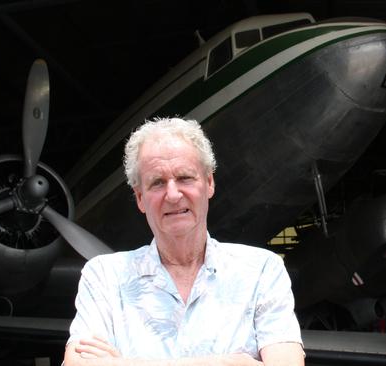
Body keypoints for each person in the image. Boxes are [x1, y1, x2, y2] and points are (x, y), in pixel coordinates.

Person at [64, 117, 304, 366]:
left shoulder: (261, 270)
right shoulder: (104, 276)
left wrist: (122, 363)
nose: (173, 194)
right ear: (139, 198)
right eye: (157, 182)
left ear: (209, 183)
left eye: (185, 178)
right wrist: (228, 363)